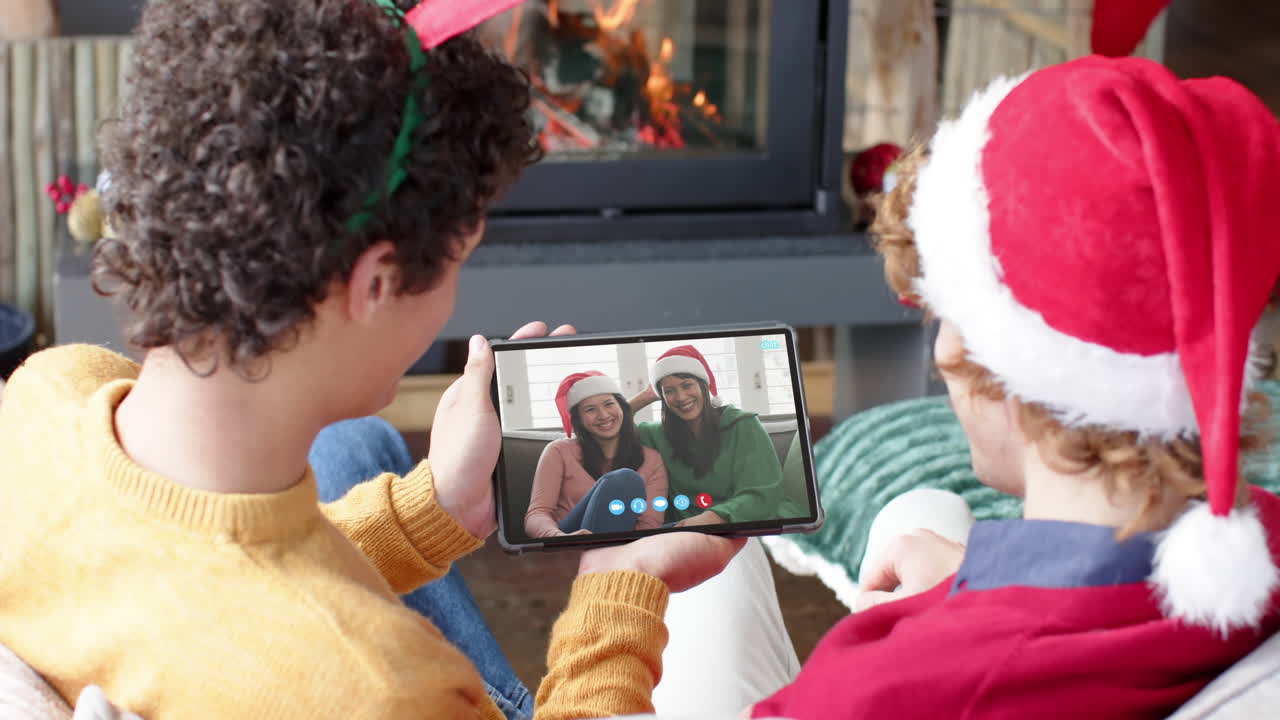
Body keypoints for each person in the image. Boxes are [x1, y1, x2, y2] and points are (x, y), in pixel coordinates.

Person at [0, 1, 743, 718]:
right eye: (462, 261)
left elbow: (189, 581)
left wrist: (440, 508)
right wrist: (618, 584)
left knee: (357, 448)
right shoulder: (385, 689)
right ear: (377, 282)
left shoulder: (48, 393)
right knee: (736, 594)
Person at [646, 55, 1280, 719]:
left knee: (688, 576)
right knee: (919, 511)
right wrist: (968, 579)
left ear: (969, 354)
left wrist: (611, 597)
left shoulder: (884, 691)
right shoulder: (1257, 546)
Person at [629, 344, 805, 527]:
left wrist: (714, 517)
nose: (680, 397)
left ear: (704, 385)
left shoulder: (743, 425)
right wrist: (647, 395)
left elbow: (762, 494)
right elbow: (612, 424)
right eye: (669, 391)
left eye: (687, 385)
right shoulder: (657, 434)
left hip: (749, 523)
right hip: (687, 533)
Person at [525, 371, 668, 537]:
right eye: (590, 409)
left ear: (622, 407)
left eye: (609, 404)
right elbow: (537, 514)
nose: (603, 415)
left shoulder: (652, 460)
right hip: (569, 542)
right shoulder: (559, 451)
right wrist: (558, 536)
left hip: (622, 547)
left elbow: (649, 526)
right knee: (625, 479)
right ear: (578, 418)